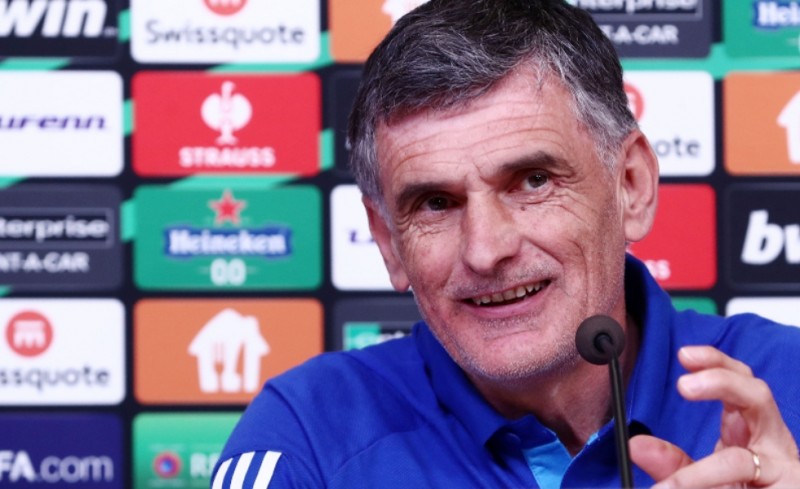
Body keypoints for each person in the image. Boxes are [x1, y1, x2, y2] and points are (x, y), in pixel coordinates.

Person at [211, 0, 800, 487]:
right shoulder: (307, 437)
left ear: (631, 185)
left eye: (533, 181)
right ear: (388, 241)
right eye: (435, 203)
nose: (485, 250)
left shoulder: (786, 382)